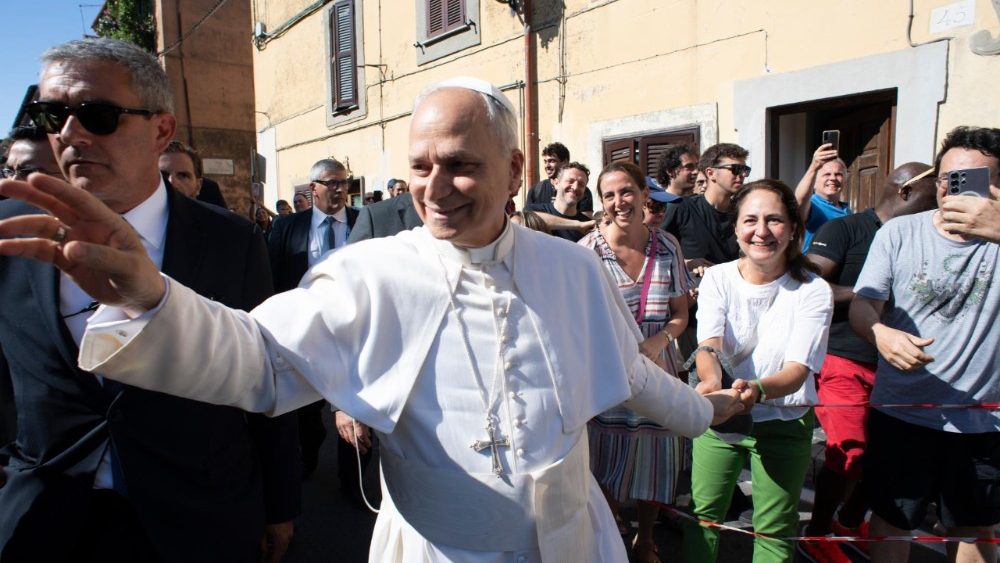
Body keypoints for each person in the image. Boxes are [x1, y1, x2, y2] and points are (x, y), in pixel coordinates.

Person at [0, 76, 745, 562]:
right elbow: (254, 357)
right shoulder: (372, 272)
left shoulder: (572, 267)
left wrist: (708, 411)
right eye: (420, 166)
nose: (436, 187)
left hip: (573, 542)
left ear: (516, 170)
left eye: (460, 164)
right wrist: (150, 295)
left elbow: (636, 376)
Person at [0, 37, 299, 563]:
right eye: (52, 114)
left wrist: (280, 505)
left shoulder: (230, 240)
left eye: (97, 115)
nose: (69, 134)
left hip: (198, 519)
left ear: (162, 130)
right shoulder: (11, 235)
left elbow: (265, 370)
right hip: (45, 522)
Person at [849, 126, 1000, 563]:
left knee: (974, 528)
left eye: (972, 181)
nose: (956, 191)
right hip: (902, 410)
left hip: (983, 420)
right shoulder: (899, 233)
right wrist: (879, 332)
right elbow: (863, 304)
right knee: (894, 518)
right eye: (949, 179)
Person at [683, 179, 833, 563]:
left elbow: (798, 370)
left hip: (785, 419)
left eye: (775, 220)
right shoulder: (718, 277)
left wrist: (758, 391)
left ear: (794, 229)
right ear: (735, 228)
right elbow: (709, 341)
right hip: (721, 415)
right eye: (750, 220)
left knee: (775, 529)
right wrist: (713, 382)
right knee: (705, 518)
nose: (761, 231)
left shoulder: (813, 289)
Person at [797, 162, 938, 563]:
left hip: (898, 368)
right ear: (906, 192)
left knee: (884, 457)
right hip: (845, 357)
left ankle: (849, 520)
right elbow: (809, 285)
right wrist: (868, 291)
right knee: (850, 451)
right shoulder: (846, 229)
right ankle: (817, 534)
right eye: (933, 194)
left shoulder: (924, 236)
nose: (941, 202)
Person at [579, 162, 692, 563]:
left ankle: (645, 539)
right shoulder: (588, 252)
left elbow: (681, 313)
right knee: (603, 459)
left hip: (658, 373)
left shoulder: (668, 246)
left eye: (626, 191)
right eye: (608, 195)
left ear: (645, 193)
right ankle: (610, 535)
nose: (618, 202)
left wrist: (659, 342)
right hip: (607, 376)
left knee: (655, 464)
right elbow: (577, 319)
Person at [267, 157, 359, 479]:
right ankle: (308, 456)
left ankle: (354, 478)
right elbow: (274, 280)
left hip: (353, 332)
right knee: (306, 410)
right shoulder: (287, 227)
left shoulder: (363, 222)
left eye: (343, 183)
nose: (339, 190)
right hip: (305, 332)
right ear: (313, 188)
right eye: (331, 183)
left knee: (356, 406)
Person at [795, 143, 851, 250]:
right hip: (813, 265)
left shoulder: (848, 211)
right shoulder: (812, 204)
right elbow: (799, 202)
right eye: (827, 174)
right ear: (814, 183)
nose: (833, 178)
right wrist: (813, 167)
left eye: (838, 174)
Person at [525, 161, 593, 241]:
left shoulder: (589, 227)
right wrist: (578, 225)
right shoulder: (534, 210)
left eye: (581, 184)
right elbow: (524, 219)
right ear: (556, 183)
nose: (575, 187)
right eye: (570, 181)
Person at [526, 141, 595, 216]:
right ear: (556, 183)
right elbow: (528, 220)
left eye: (552, 161)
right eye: (545, 161)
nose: (547, 166)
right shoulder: (536, 190)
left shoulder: (581, 191)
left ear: (565, 162)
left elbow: (586, 223)